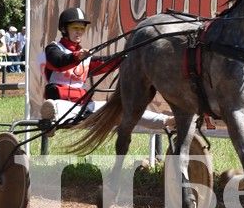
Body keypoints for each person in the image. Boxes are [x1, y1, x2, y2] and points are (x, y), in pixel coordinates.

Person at [40, 7, 173, 130]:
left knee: (123, 108)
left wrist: (124, 56)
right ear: (64, 29)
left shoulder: (85, 56)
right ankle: (53, 113)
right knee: (58, 107)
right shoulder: (53, 49)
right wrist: (76, 57)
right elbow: (58, 62)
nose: (79, 32)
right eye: (75, 28)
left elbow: (106, 62)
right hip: (60, 102)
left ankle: (166, 121)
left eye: (82, 28)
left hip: (83, 107)